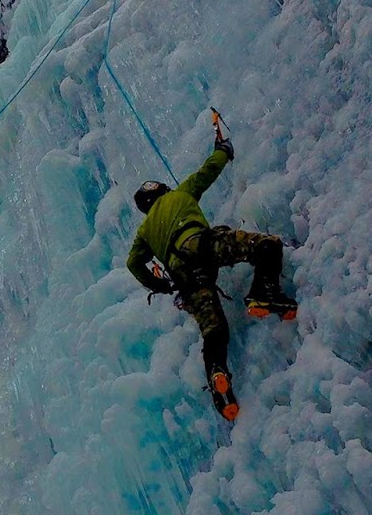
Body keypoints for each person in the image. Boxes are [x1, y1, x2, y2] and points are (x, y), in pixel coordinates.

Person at [126, 138, 296, 421]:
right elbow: (208, 172)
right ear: (161, 191)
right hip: (199, 245)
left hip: (183, 277)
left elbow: (133, 263)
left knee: (213, 330)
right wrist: (224, 150)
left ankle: (219, 379)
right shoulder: (179, 194)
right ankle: (265, 292)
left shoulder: (144, 231)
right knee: (266, 246)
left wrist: (161, 285)